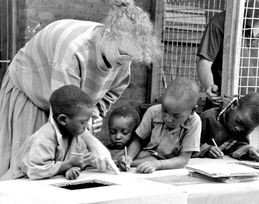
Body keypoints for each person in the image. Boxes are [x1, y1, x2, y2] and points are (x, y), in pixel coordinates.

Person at [0, 0, 161, 177]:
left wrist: (94, 114)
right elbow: (65, 105)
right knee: (29, 164)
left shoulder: (122, 56)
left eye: (131, 57)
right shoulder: (73, 51)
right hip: (31, 89)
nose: (125, 62)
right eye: (123, 54)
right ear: (107, 35)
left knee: (65, 161)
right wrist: (94, 143)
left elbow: (109, 94)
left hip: (68, 104)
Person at [197, 0, 259, 111]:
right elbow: (205, 62)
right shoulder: (222, 21)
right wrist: (209, 85)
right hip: (223, 104)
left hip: (256, 107)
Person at [1, 85, 97, 180]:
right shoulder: (44, 138)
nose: (86, 126)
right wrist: (69, 164)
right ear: (63, 120)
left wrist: (72, 168)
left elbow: (74, 160)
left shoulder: (75, 135)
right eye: (83, 122)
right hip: (16, 184)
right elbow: (35, 171)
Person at [118, 77, 202, 173]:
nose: (168, 119)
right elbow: (138, 141)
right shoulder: (153, 112)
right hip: (144, 157)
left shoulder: (194, 122)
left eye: (176, 116)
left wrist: (157, 164)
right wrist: (129, 157)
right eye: (164, 110)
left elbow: (183, 160)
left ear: (192, 111)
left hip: (169, 165)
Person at [192, 92, 259, 162]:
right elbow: (187, 145)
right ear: (234, 105)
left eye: (246, 128)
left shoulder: (244, 129)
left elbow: (237, 146)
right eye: (238, 122)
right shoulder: (208, 118)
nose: (238, 129)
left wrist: (248, 151)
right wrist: (207, 149)